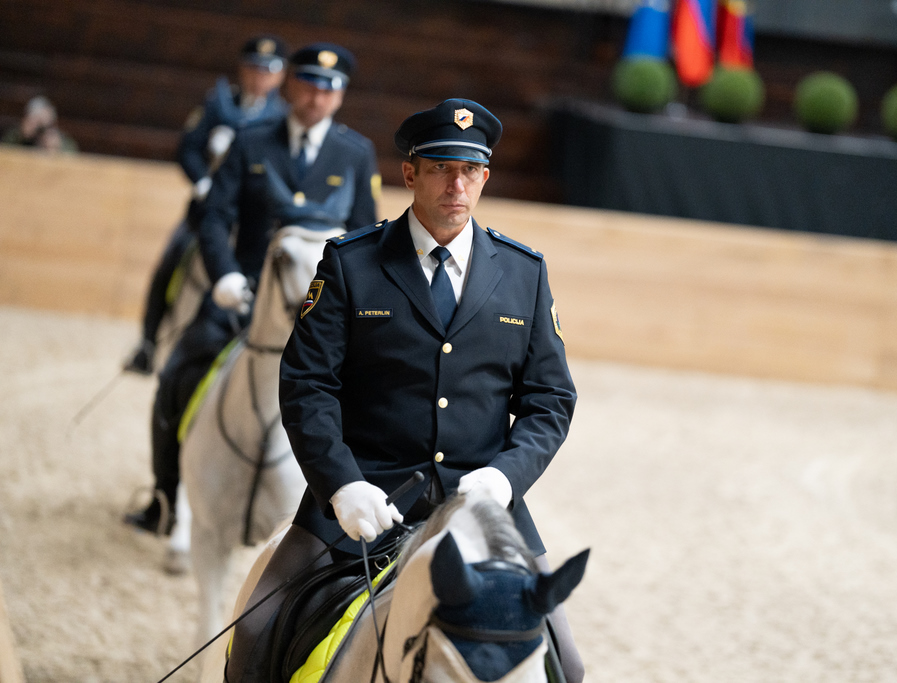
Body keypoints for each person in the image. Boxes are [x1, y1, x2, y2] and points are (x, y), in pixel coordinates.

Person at [223, 99, 585, 683]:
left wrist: (504, 476)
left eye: (469, 171)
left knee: (567, 662)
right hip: (360, 503)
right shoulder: (351, 263)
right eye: (441, 168)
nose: (455, 184)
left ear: (484, 179)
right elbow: (308, 385)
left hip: (483, 506)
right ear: (410, 173)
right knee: (257, 632)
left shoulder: (524, 273)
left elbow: (550, 400)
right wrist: (341, 485)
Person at [124, 41, 381, 535]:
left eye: (329, 89)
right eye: (308, 85)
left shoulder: (356, 153)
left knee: (374, 395)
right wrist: (223, 275)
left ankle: (347, 515)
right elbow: (217, 218)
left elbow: (365, 234)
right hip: (243, 298)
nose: (316, 97)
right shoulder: (251, 140)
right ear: (290, 86)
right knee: (176, 377)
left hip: (323, 309)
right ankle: (166, 498)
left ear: (341, 96)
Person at [124, 34, 290, 375]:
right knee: (170, 262)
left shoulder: (281, 119)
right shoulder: (217, 104)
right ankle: (148, 343)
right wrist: (203, 183)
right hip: (205, 213)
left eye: (267, 71)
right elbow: (187, 148)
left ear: (279, 76)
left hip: (251, 220)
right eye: (253, 68)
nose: (259, 77)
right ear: (242, 70)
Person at [1, 95, 77, 153]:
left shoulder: (64, 141)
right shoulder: (17, 136)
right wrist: (21, 136)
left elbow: (75, 160)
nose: (41, 128)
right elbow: (4, 151)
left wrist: (56, 149)